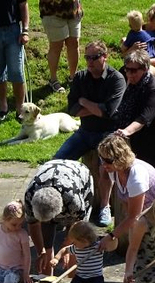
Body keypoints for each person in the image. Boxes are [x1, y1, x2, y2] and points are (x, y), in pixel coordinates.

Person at [54, 41, 126, 226]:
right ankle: (61, 204)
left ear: (105, 57)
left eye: (95, 57)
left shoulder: (116, 79)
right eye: (87, 58)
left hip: (108, 133)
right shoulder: (80, 77)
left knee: (105, 167)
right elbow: (72, 109)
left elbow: (108, 111)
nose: (90, 62)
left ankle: (104, 207)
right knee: (58, 161)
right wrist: (95, 107)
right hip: (85, 131)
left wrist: (84, 102)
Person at [96, 134, 155, 250]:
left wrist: (111, 236)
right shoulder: (114, 170)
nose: (104, 164)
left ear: (120, 158)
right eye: (101, 158)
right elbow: (128, 208)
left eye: (108, 160)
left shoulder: (136, 177)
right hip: (146, 218)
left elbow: (134, 216)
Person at [114, 50, 155, 173]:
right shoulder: (131, 83)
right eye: (127, 69)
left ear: (145, 69)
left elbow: (144, 118)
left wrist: (126, 131)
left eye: (133, 71)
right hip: (138, 142)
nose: (129, 74)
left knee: (149, 182)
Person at [23, 159, 94, 275]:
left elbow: (79, 225)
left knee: (76, 245)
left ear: (59, 211)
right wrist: (41, 251)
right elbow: (33, 224)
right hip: (50, 170)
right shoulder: (30, 195)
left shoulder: (73, 200)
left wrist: (66, 247)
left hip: (79, 174)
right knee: (46, 247)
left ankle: (72, 277)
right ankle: (46, 278)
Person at [50, 221, 116, 283]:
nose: (73, 244)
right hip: (80, 277)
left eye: (75, 242)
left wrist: (113, 238)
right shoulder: (76, 248)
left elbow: (113, 247)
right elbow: (64, 250)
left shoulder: (98, 247)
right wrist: (56, 258)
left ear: (84, 240)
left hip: (96, 277)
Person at [38, 0, 84, 93]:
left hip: (73, 11)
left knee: (74, 43)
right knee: (56, 46)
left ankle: (73, 77)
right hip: (52, 11)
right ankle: (53, 80)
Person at [123, 4, 155, 81]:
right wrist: (132, 49)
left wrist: (140, 61)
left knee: (144, 72)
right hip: (132, 65)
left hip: (149, 67)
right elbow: (124, 56)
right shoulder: (136, 30)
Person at [122, 10, 155, 79]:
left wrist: (124, 43)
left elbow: (123, 48)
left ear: (130, 25)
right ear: (142, 22)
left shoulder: (131, 35)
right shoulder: (148, 34)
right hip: (151, 57)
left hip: (139, 59)